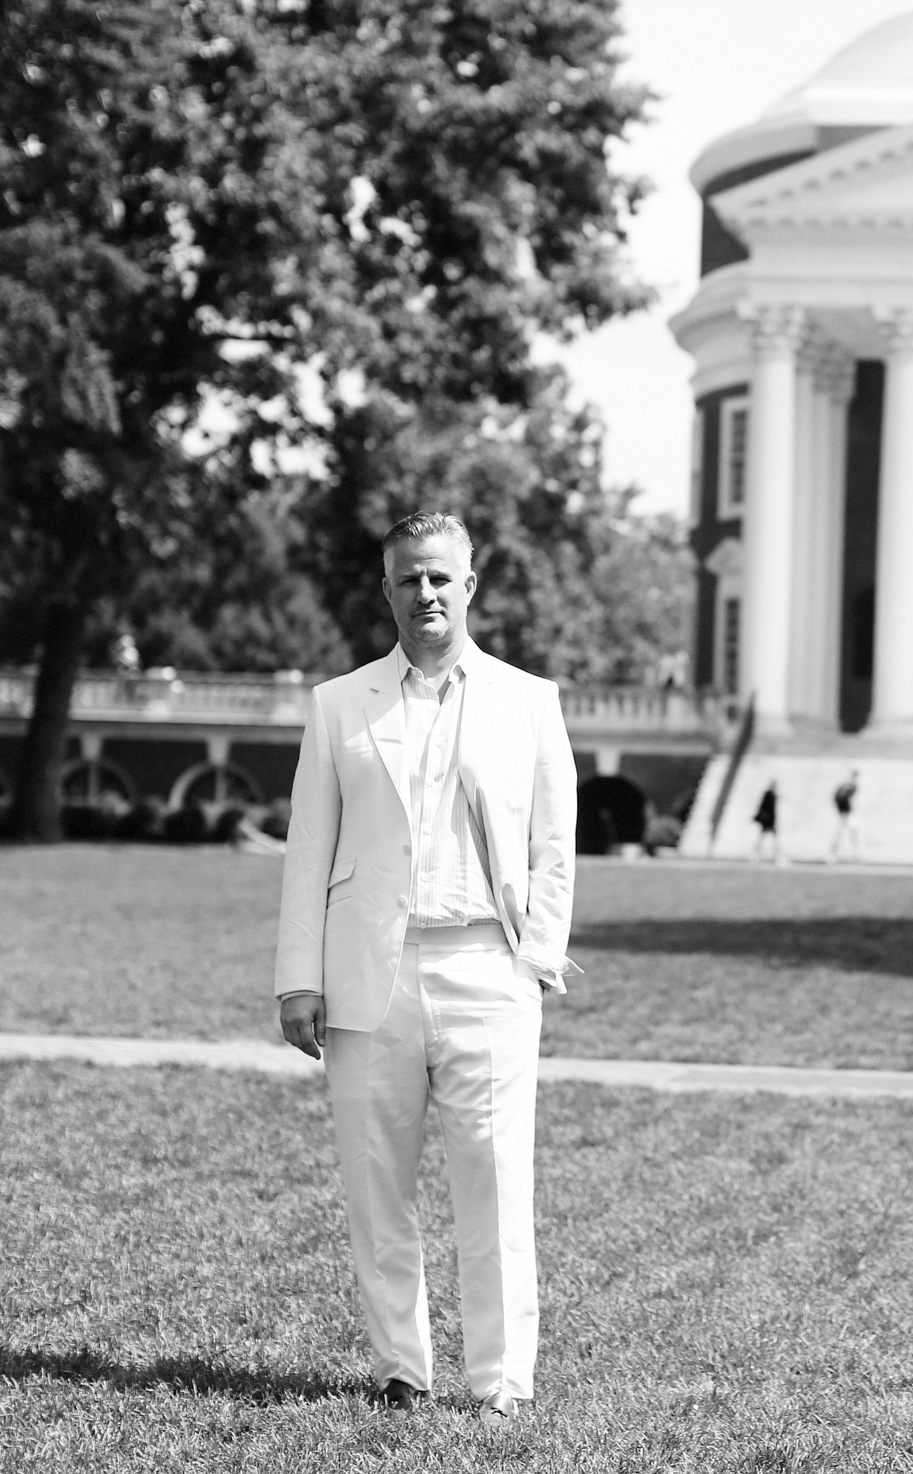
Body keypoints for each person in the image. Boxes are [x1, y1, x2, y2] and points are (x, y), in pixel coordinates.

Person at [274, 512, 578, 1418]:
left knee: (494, 1188)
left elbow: (553, 847)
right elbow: (307, 849)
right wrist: (300, 975)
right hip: (372, 978)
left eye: (442, 577)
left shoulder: (530, 700)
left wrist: (539, 957)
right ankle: (402, 1370)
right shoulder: (340, 705)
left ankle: (499, 1384)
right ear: (388, 590)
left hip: (489, 967)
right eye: (409, 578)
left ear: (471, 586)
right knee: (378, 1187)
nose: (427, 592)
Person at [828, 769, 860, 863]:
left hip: (847, 813)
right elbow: (838, 798)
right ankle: (833, 854)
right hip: (845, 813)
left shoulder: (851, 786)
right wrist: (843, 812)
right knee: (841, 833)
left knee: (852, 832)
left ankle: (854, 854)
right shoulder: (848, 787)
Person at [750, 780, 782, 863]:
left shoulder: (773, 795)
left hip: (771, 821)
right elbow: (763, 807)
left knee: (769, 839)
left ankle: (775, 856)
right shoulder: (768, 794)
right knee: (762, 839)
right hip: (768, 821)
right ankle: (756, 856)